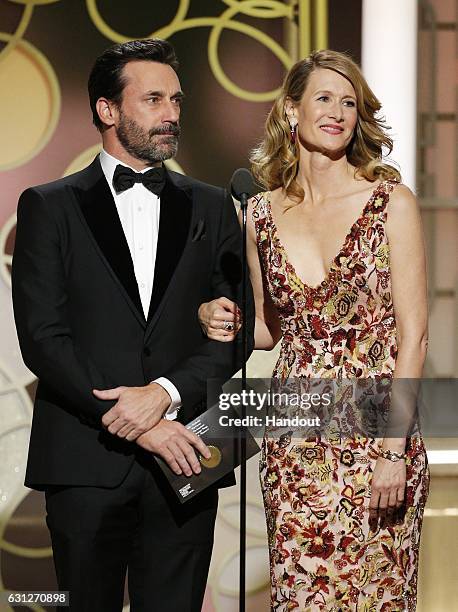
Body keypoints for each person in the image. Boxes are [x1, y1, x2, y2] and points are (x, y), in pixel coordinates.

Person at [12, 39, 253, 612]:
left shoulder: (215, 206)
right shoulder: (49, 206)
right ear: (108, 110)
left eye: (176, 99)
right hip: (85, 460)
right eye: (153, 99)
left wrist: (166, 395)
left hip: (190, 456)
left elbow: (234, 331)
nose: (171, 113)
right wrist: (140, 424)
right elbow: (43, 339)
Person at [198, 50, 429, 610]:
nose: (338, 112)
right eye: (324, 98)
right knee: (303, 596)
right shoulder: (258, 215)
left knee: (379, 594)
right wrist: (212, 319)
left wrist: (393, 449)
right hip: (296, 439)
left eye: (349, 102)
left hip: (379, 436)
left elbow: (414, 335)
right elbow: (269, 329)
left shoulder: (391, 203)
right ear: (291, 110)